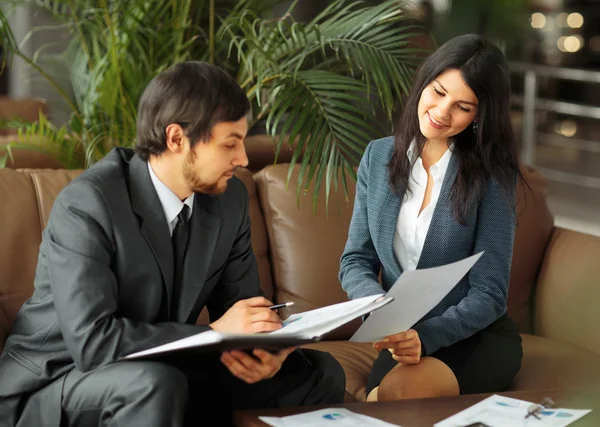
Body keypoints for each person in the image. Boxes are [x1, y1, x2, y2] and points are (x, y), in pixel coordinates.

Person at [0, 61, 345, 427]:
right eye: (230, 143)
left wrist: (267, 348)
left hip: (162, 369)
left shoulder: (229, 201)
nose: (242, 159)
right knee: (154, 385)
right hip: (57, 380)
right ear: (176, 138)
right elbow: (93, 343)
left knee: (317, 372)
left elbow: (241, 309)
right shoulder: (89, 203)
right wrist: (215, 332)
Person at [339, 34, 524, 402]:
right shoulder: (377, 157)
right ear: (424, 81)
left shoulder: (492, 176)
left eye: (463, 106)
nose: (442, 112)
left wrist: (426, 336)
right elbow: (355, 260)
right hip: (399, 338)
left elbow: (490, 293)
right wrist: (379, 310)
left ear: (479, 116)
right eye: (438, 92)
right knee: (386, 399)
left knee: (397, 398)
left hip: (474, 336)